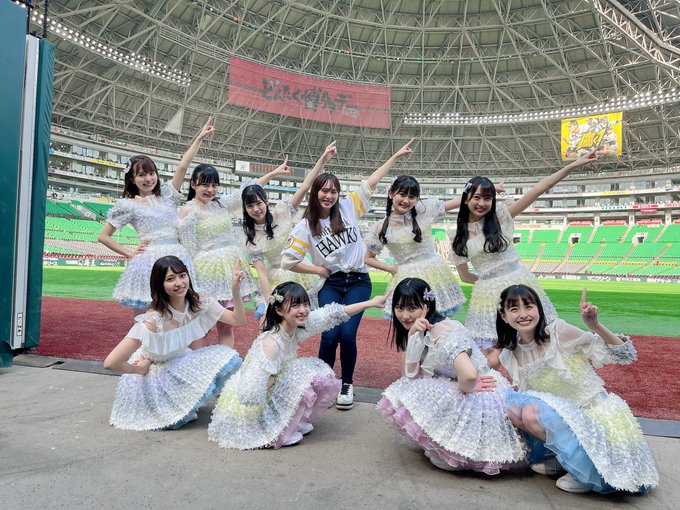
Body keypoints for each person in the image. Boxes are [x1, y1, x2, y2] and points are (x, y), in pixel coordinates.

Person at [281, 139, 414, 410]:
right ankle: (322, 383)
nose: (329, 195)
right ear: (316, 192)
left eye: (334, 191)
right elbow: (288, 261)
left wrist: (395, 157)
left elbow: (371, 182)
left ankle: (346, 384)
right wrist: (318, 269)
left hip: (358, 282)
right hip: (331, 283)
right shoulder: (306, 225)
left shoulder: (348, 208)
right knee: (329, 335)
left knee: (347, 335)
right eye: (324, 190)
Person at [490, 284, 658, 493]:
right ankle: (565, 457)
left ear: (539, 310)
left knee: (530, 413)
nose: (523, 314)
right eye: (514, 309)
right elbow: (529, 393)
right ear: (504, 316)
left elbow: (624, 355)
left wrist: (595, 325)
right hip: (566, 416)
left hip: (593, 413)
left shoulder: (559, 331)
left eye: (529, 306)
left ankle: (583, 470)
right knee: (516, 410)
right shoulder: (511, 352)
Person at [208, 282, 386, 449]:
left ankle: (291, 421)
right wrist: (277, 382)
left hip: (269, 387)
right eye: (295, 305)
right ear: (279, 310)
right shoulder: (271, 343)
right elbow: (249, 395)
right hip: (248, 405)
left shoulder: (296, 327)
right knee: (300, 373)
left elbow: (333, 314)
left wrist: (370, 303)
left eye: (305, 304)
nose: (303, 310)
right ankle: (276, 430)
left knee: (314, 371)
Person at [377, 278, 526, 473]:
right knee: (413, 385)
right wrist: (411, 335)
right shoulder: (419, 329)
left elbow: (469, 375)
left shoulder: (444, 331)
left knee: (425, 389)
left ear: (426, 306)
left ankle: (458, 451)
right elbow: (409, 374)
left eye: (412, 308)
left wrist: (466, 387)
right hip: (464, 383)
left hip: (481, 391)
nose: (404, 315)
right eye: (399, 308)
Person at [450, 152, 598, 350]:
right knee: (491, 349)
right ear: (465, 199)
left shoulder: (501, 217)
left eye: (487, 198)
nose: (482, 203)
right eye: (477, 197)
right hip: (486, 295)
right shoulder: (456, 237)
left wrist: (573, 165)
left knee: (542, 337)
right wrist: (489, 282)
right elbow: (465, 276)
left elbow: (538, 189)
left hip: (521, 282)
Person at [103, 256, 245, 431]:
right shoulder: (154, 321)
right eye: (170, 279)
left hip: (180, 361)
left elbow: (237, 320)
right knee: (177, 417)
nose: (179, 283)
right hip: (155, 373)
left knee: (227, 356)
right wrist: (139, 369)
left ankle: (232, 405)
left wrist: (235, 290)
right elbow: (111, 362)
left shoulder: (199, 302)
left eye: (182, 276)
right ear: (160, 284)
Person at [98, 118, 214, 314]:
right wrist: (130, 253)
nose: (148, 179)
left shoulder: (168, 194)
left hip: (178, 256)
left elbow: (183, 166)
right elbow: (103, 236)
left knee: (180, 311)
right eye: (141, 175)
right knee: (146, 313)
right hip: (148, 261)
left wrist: (199, 138)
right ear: (132, 179)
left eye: (151, 173)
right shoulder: (127, 205)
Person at [178, 155, 289, 346]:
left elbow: (248, 191)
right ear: (193, 184)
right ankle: (196, 364)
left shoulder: (221, 204)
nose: (210, 190)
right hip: (206, 273)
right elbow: (189, 248)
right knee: (200, 325)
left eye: (214, 185)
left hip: (230, 269)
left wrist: (274, 173)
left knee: (226, 326)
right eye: (205, 185)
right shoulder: (188, 210)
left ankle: (226, 361)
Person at [242, 142, 338, 318]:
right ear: (245, 208)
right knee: (283, 320)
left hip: (302, 269)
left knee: (306, 319)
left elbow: (305, 187)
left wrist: (323, 159)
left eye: (258, 203)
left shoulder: (282, 211)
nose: (255, 209)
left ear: (266, 201)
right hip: (276, 277)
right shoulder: (251, 237)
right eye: (250, 206)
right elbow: (261, 273)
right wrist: (268, 300)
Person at [364, 175, 467, 319]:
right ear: (391, 193)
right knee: (409, 321)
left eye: (412, 196)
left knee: (437, 321)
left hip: (435, 274)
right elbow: (368, 258)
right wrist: (391, 268)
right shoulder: (380, 227)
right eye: (402, 194)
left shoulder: (424, 211)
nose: (406, 200)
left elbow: (460, 200)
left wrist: (489, 189)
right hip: (406, 278)